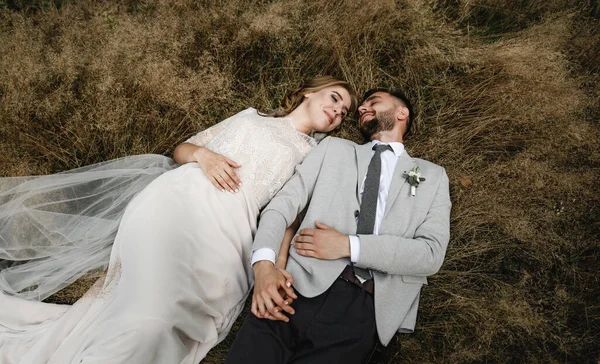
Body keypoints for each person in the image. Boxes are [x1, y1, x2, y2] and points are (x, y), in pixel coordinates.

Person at [0, 76, 357, 363]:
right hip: (182, 198)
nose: (339, 111)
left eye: (344, 112)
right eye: (336, 98)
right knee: (145, 299)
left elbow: (288, 217)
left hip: (233, 225)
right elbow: (182, 149)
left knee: (164, 318)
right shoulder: (251, 117)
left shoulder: (314, 154)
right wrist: (205, 156)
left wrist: (275, 265)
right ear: (309, 92)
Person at [225, 88, 452, 363]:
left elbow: (430, 255)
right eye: (361, 106)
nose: (361, 108)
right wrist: (263, 267)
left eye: (374, 102)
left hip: (364, 311)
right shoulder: (333, 149)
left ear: (402, 113)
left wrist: (347, 245)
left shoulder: (433, 176)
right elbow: (282, 205)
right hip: (293, 286)